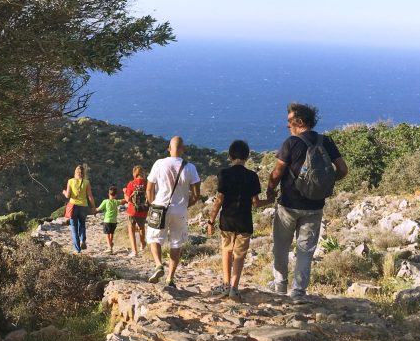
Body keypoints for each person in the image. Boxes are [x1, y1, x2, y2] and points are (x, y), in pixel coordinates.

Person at [266, 103, 348, 299]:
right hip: (315, 205)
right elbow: (343, 170)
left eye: (290, 121)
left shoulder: (291, 143)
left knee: (281, 246)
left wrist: (270, 190)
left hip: (289, 204)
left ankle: (280, 285)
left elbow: (277, 172)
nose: (287, 125)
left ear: (299, 121)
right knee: (305, 250)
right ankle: (298, 292)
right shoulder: (326, 141)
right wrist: (325, 183)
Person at [206, 140, 276, 300]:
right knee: (239, 255)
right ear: (247, 156)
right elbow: (256, 203)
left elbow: (219, 200)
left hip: (227, 220)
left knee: (226, 251)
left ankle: (225, 284)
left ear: (230, 156)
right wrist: (270, 200)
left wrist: (211, 221)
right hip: (245, 221)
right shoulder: (252, 176)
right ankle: (234, 288)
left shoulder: (224, 173)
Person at [146, 136, 201, 288]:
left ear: (169, 148)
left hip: (160, 208)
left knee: (154, 238)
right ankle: (170, 279)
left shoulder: (159, 163)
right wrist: (185, 205)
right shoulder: (190, 168)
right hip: (180, 211)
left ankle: (158, 265)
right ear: (183, 149)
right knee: (176, 243)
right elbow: (196, 195)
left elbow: (149, 189)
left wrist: (152, 204)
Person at [63, 165, 96, 253]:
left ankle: (78, 249)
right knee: (82, 224)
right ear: (83, 173)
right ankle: (82, 240)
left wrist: (64, 192)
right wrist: (93, 207)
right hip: (83, 206)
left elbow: (67, 196)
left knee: (74, 227)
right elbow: (90, 196)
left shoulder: (70, 181)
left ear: (75, 172)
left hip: (73, 206)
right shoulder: (86, 182)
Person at [124, 165, 148, 257]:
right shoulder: (146, 183)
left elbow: (127, 199)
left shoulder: (131, 183)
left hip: (132, 210)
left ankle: (134, 251)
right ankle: (143, 244)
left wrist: (125, 192)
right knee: (142, 227)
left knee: (131, 230)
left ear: (134, 173)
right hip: (143, 210)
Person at [95, 186, 124, 254]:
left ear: (108, 194)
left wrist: (94, 209)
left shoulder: (105, 201)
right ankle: (110, 245)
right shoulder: (116, 202)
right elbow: (123, 201)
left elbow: (98, 209)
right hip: (114, 221)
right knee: (111, 233)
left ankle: (109, 247)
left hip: (107, 220)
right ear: (116, 195)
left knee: (107, 234)